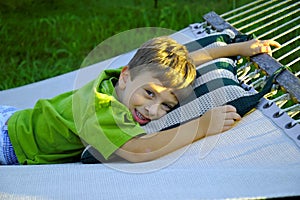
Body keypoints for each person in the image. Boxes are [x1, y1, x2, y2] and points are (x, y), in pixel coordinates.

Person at [0, 36, 281, 165]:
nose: (152, 109)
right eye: (149, 93)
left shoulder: (125, 83)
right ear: (125, 76)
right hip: (9, 144)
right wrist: (202, 126)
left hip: (16, 119)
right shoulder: (103, 108)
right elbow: (138, 150)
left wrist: (241, 48)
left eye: (167, 105)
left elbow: (181, 67)